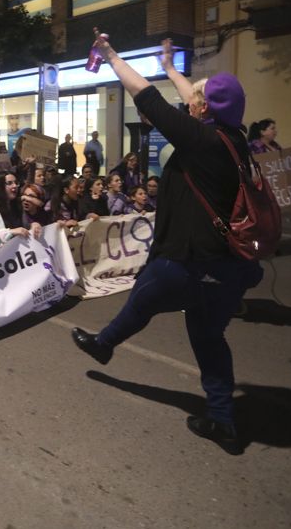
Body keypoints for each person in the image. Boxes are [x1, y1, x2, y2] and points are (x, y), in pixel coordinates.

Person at [71, 34, 263, 456]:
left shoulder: (202, 142)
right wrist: (173, 68)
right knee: (209, 339)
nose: (190, 101)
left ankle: (104, 346)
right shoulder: (234, 140)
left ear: (204, 109)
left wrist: (110, 54)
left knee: (144, 297)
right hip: (226, 267)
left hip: (188, 261)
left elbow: (148, 99)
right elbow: (190, 100)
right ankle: (222, 420)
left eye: (196, 99)